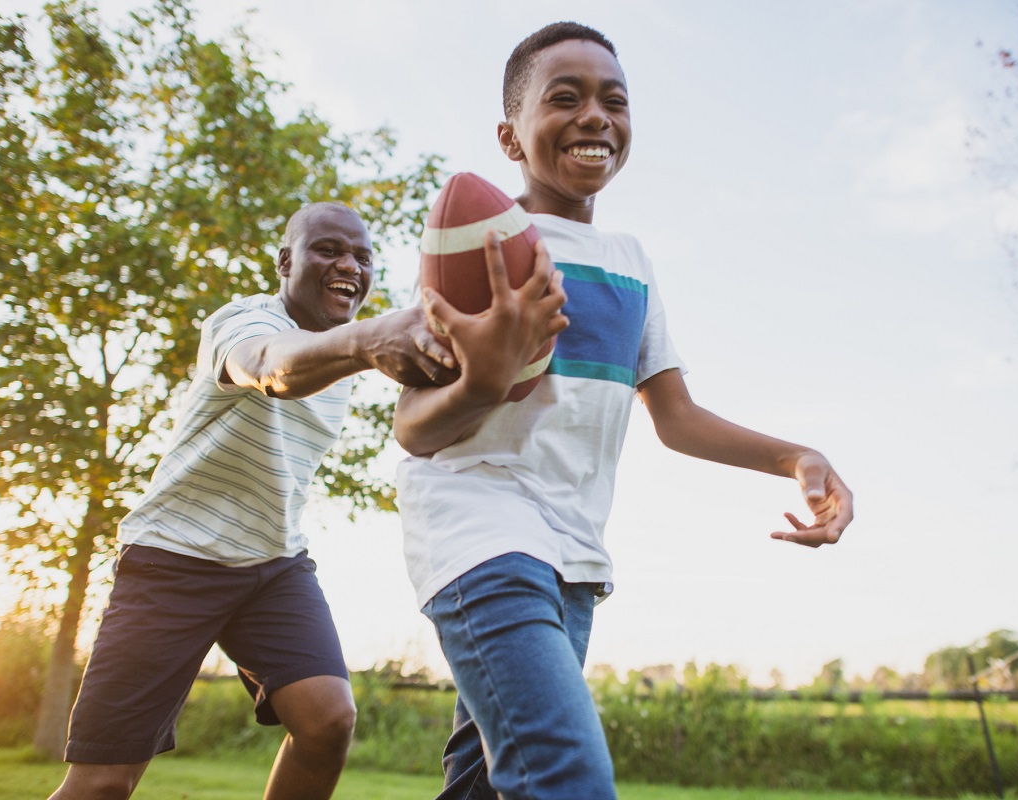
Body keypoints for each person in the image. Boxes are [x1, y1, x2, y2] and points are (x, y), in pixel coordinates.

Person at [392, 22, 855, 800]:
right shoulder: (478, 247)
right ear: (510, 136)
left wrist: (796, 457)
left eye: (614, 100)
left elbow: (675, 417)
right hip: (480, 535)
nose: (595, 116)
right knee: (568, 777)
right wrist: (483, 377)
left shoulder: (632, 263)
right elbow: (414, 427)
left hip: (576, 555)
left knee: (481, 787)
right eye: (564, 98)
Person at [47, 202, 458, 800]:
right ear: (285, 262)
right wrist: (371, 340)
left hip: (272, 564)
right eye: (329, 250)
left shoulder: (346, 357)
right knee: (103, 782)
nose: (349, 265)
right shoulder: (241, 323)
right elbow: (271, 368)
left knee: (327, 723)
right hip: (173, 559)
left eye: (362, 257)